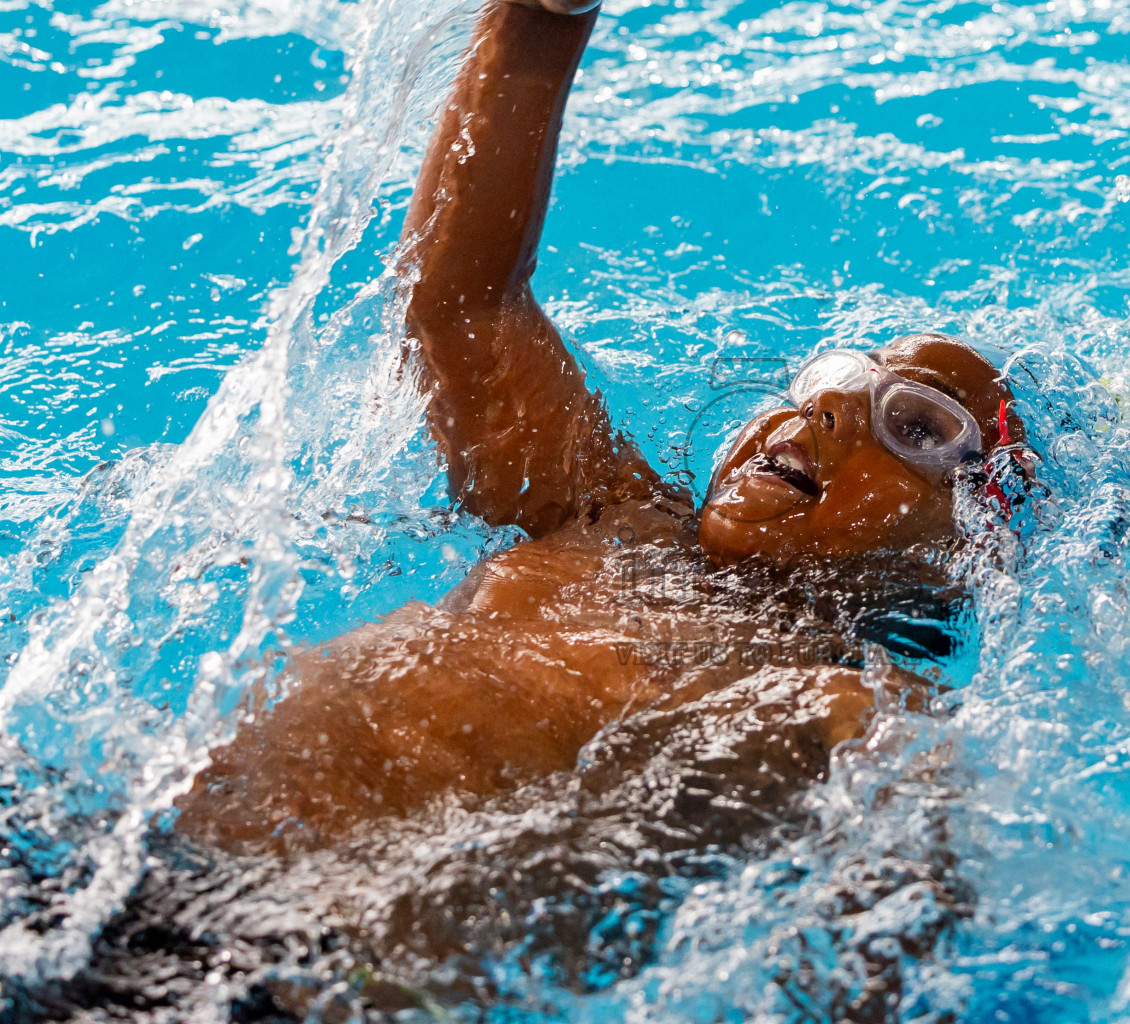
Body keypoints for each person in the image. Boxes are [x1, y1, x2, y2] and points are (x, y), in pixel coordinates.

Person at [173, 0, 1024, 857]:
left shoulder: (851, 709)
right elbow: (461, 309)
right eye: (834, 380)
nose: (829, 411)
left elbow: (909, 880)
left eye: (913, 425)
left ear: (971, 546)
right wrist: (544, 22)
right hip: (131, 857)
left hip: (304, 959)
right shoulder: (607, 514)